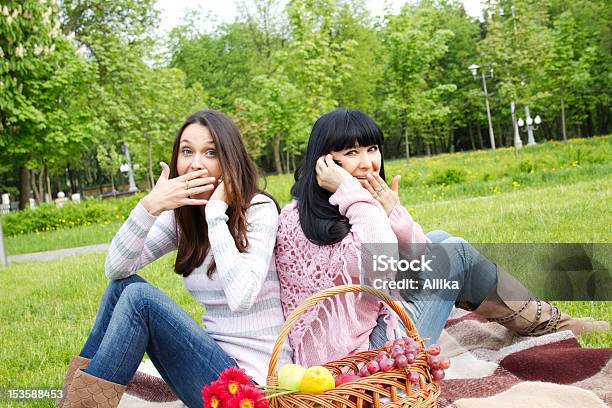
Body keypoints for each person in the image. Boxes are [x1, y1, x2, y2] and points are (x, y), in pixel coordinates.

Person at [275, 108, 609, 367]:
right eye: (351, 153)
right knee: (457, 254)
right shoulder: (307, 219)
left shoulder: (343, 206)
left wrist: (394, 214)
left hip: (366, 334)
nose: (368, 164)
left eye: (372, 148)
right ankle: (547, 322)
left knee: (440, 240)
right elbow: (382, 264)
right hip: (359, 363)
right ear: (323, 162)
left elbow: (420, 254)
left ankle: (544, 320)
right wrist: (359, 198)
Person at [59, 110, 291, 408]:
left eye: (210, 152)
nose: (196, 163)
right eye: (186, 151)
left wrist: (216, 215)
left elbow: (242, 296)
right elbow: (115, 268)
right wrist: (150, 207)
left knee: (140, 298)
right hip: (209, 369)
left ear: (230, 159)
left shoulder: (258, 209)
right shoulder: (183, 216)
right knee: (123, 288)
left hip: (254, 387)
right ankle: (73, 402)